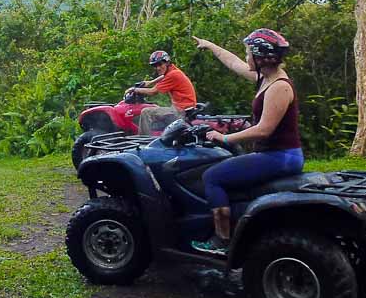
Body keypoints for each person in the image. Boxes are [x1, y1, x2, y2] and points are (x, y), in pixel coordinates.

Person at [189, 29, 303, 255]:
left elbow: (264, 130)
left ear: (261, 57)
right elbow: (233, 63)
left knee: (212, 176)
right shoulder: (266, 78)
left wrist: (224, 137)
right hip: (277, 154)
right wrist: (210, 45)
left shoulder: (279, 86)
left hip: (280, 156)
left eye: (249, 53)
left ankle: (222, 241)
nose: (246, 57)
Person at [127, 50, 198, 135]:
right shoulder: (173, 70)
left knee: (146, 112)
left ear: (167, 62)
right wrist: (150, 82)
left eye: (160, 64)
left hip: (181, 112)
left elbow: (152, 92)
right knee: (156, 107)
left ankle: (145, 140)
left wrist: (134, 90)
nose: (158, 68)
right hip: (184, 108)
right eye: (155, 66)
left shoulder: (173, 75)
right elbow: (163, 76)